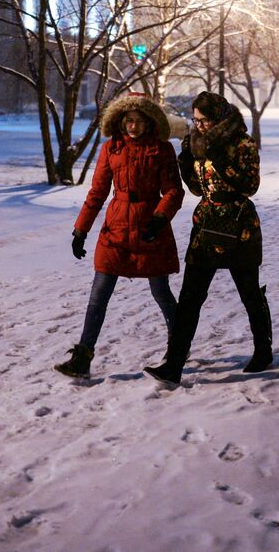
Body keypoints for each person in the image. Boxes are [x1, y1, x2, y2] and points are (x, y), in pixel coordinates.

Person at [145, 90, 270, 385]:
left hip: (240, 226)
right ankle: (173, 365)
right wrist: (187, 162)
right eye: (195, 120)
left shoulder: (242, 143)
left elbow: (249, 185)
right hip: (207, 224)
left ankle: (263, 351)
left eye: (204, 121)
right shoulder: (199, 143)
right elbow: (199, 190)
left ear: (218, 118)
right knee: (190, 297)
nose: (198, 126)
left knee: (249, 293)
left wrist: (218, 159)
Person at [55, 94, 184, 378]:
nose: (133, 127)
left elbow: (174, 191)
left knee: (160, 292)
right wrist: (81, 229)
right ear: (120, 121)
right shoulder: (111, 149)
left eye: (138, 121)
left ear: (149, 123)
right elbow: (98, 192)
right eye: (128, 121)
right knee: (99, 293)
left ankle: (179, 347)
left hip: (150, 227)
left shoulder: (161, 150)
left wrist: (160, 218)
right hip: (116, 227)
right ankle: (83, 357)